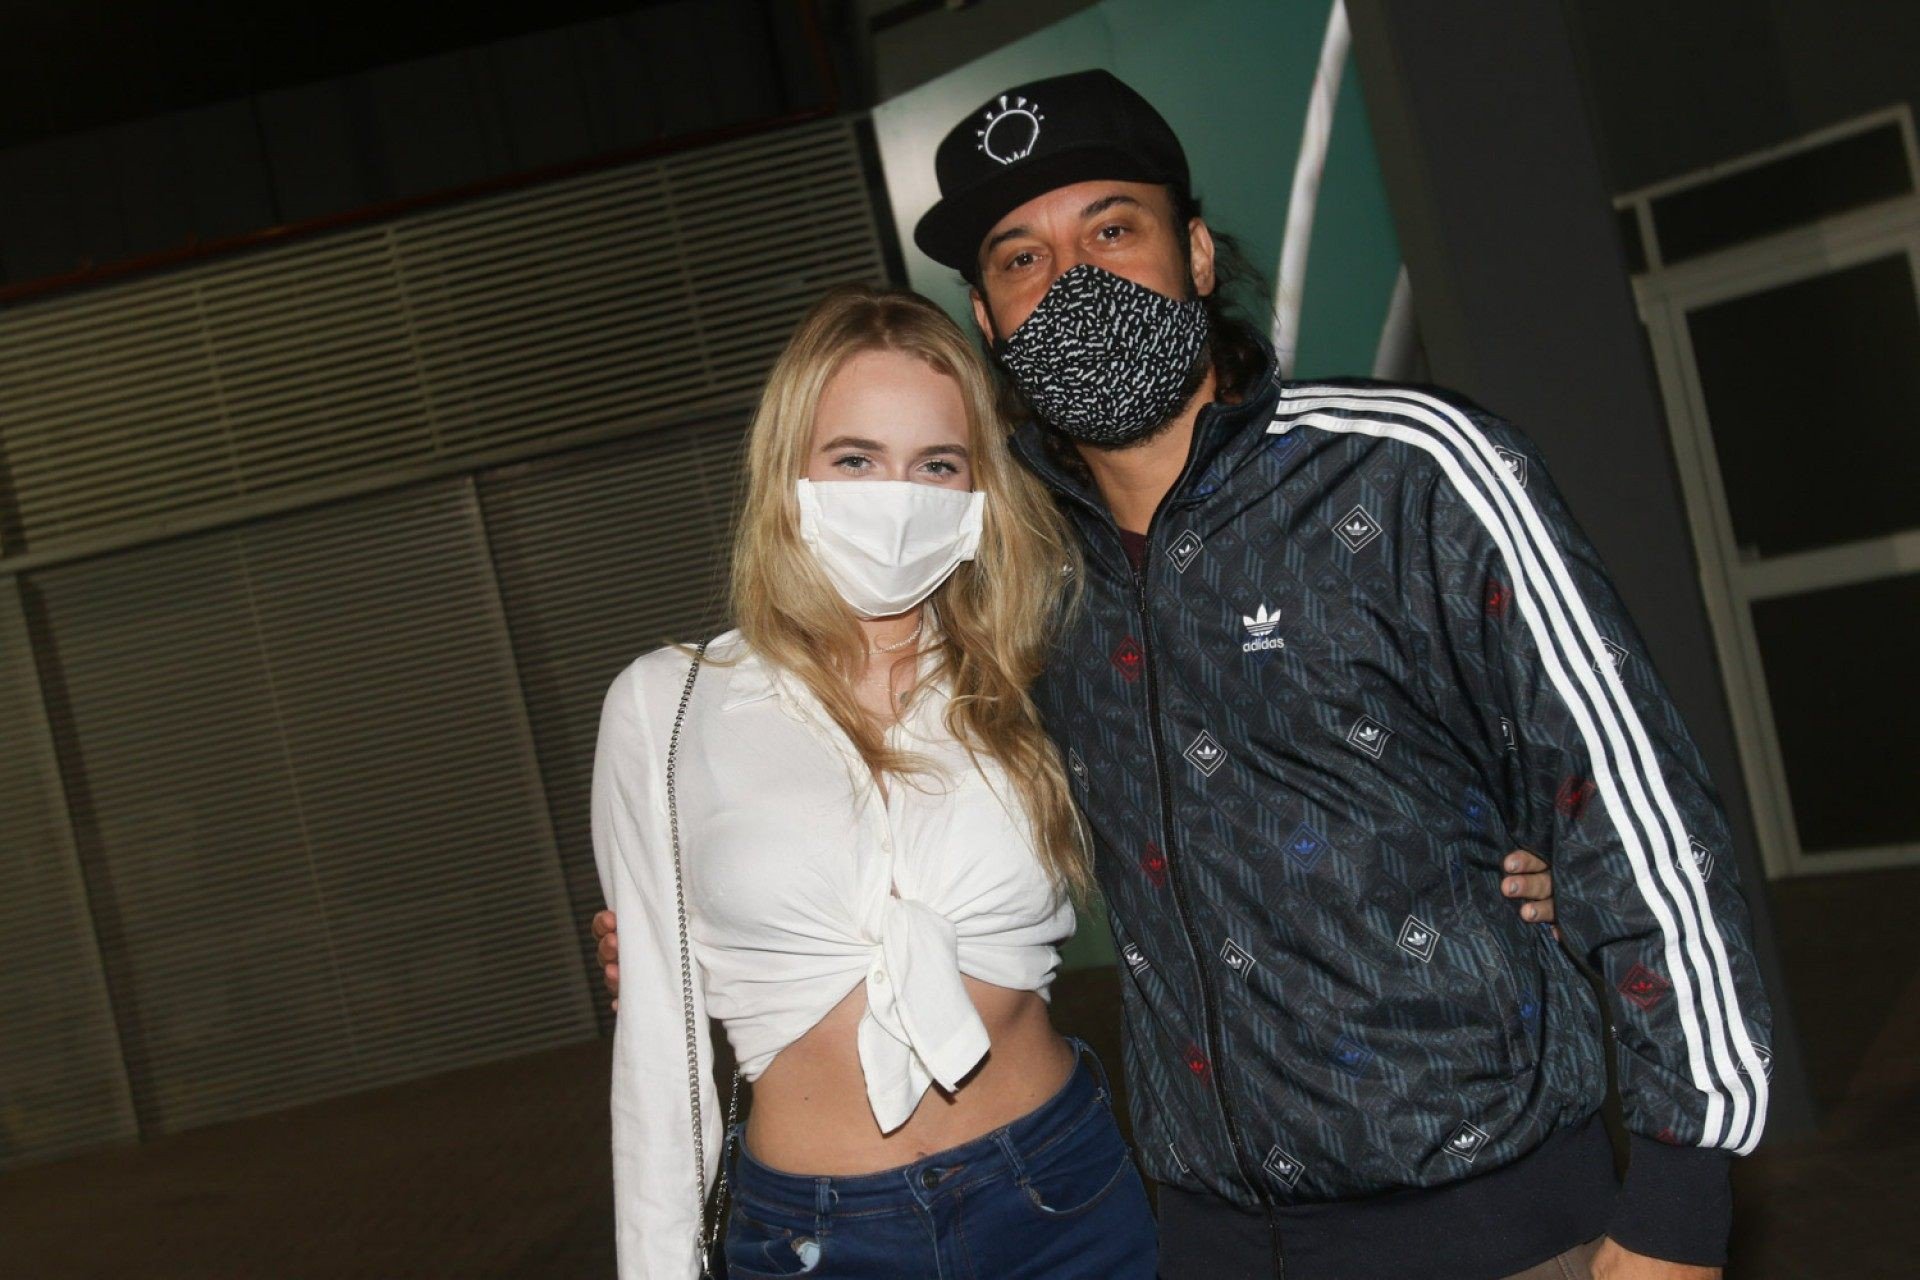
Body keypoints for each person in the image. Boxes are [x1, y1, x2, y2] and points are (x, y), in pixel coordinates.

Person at [590, 283, 1560, 1280]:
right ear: (788, 469)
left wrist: (1521, 846)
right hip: (815, 1238)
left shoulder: (1043, 669)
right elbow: (660, 1062)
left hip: (1063, 1200)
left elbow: (1253, 795)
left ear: (979, 490)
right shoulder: (667, 705)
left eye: (937, 463)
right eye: (855, 459)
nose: (897, 496)